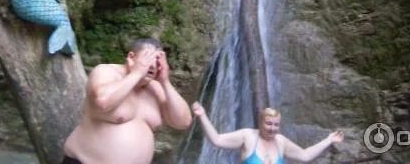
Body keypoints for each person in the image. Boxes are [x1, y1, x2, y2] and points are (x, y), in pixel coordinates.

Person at [62, 37, 192, 164]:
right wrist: (136, 73)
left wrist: (165, 81)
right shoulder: (106, 72)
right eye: (148, 58)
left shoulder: (156, 88)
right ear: (131, 57)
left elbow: (183, 122)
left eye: (157, 61)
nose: (152, 65)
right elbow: (102, 102)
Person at [192, 102, 344, 163]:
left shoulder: (281, 141)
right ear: (260, 122)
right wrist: (202, 115)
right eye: (269, 123)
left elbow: (304, 156)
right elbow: (217, 140)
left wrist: (329, 140)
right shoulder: (248, 136)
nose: (272, 128)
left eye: (276, 125)